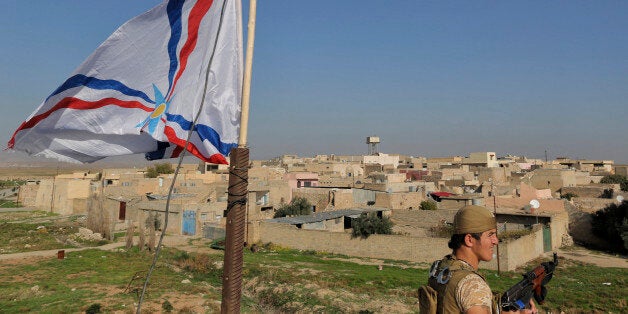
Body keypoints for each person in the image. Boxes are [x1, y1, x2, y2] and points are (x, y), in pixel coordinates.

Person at [426, 205, 537, 314]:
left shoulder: (441, 270)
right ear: (469, 239)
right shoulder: (472, 285)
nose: (496, 241)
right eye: (490, 235)